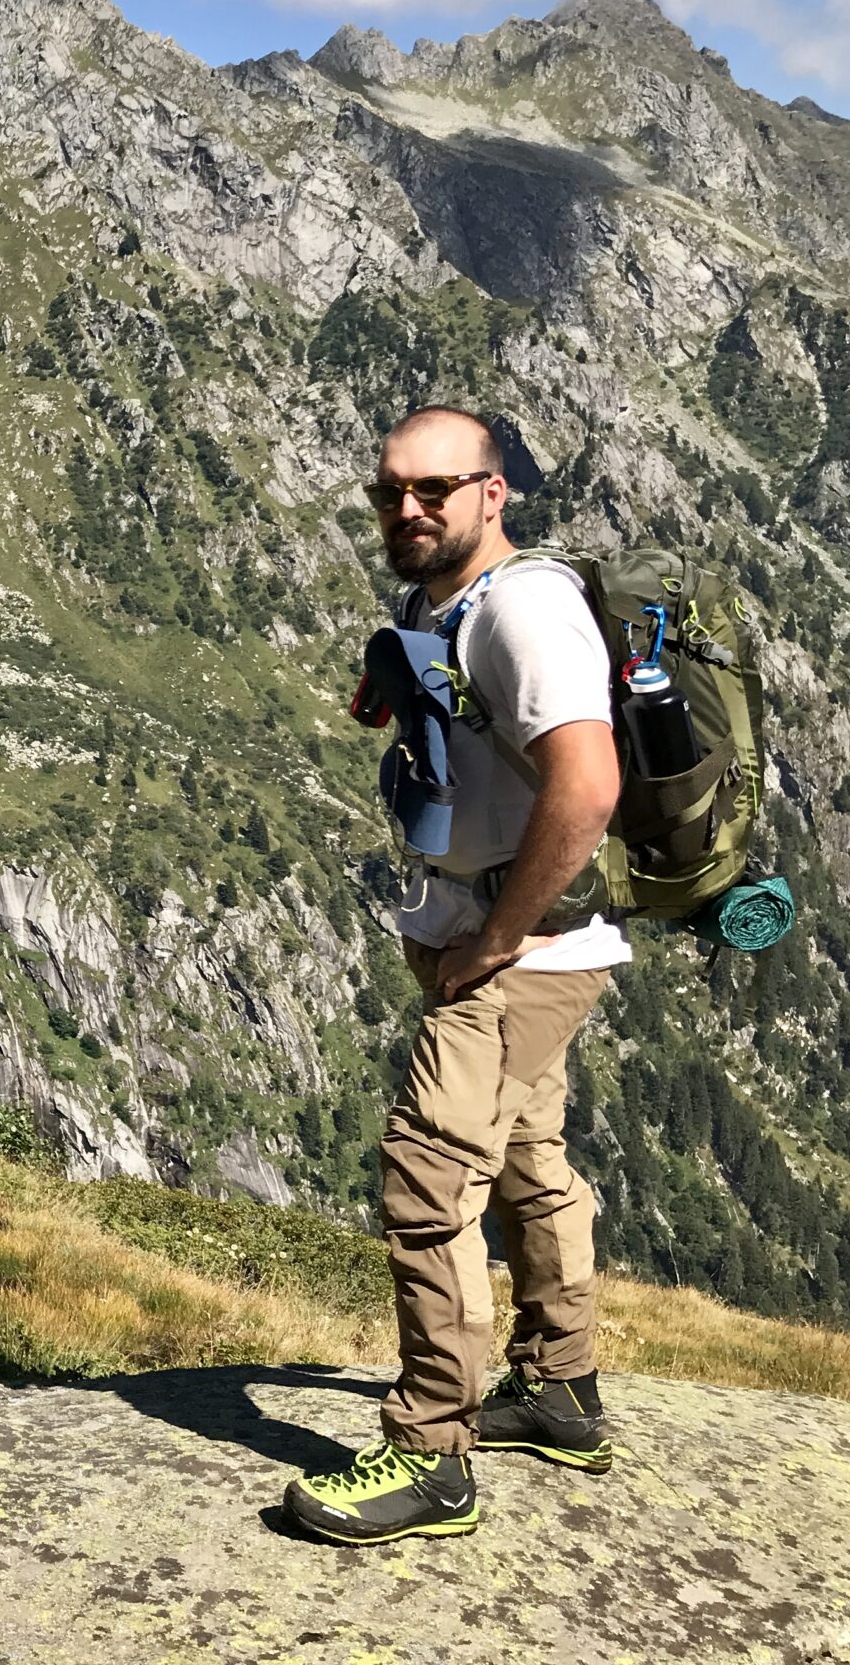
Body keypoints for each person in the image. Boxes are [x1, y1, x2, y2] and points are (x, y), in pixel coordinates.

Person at [284, 406, 627, 1546]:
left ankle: (429, 1454)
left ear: (495, 492)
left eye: (436, 488)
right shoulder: (437, 599)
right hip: (499, 930)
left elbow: (584, 790)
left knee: (430, 1178)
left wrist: (491, 941)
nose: (408, 509)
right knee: (528, 1156)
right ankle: (560, 1391)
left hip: (522, 949)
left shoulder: (523, 610)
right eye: (390, 491)